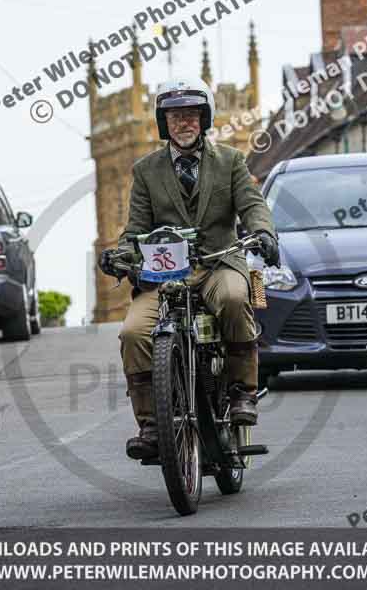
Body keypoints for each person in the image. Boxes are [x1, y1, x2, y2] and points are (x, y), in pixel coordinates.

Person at [98, 78, 279, 460]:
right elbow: (135, 230)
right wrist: (120, 255)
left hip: (218, 263)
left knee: (233, 297)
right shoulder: (146, 170)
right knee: (133, 332)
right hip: (165, 272)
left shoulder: (230, 160)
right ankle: (150, 425)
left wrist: (263, 233)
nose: (185, 123)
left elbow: (252, 205)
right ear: (165, 123)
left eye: (192, 115)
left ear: (204, 119)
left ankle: (242, 392)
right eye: (176, 116)